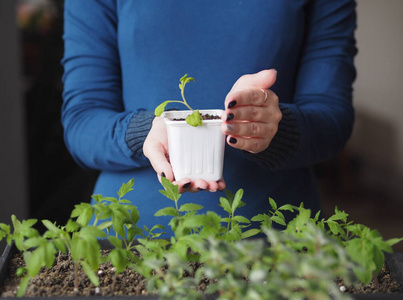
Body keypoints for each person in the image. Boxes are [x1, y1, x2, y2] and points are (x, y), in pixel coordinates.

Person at [62, 0, 357, 235]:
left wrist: (269, 128)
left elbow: (332, 118)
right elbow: (82, 121)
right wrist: (143, 133)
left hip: (272, 236)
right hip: (130, 238)